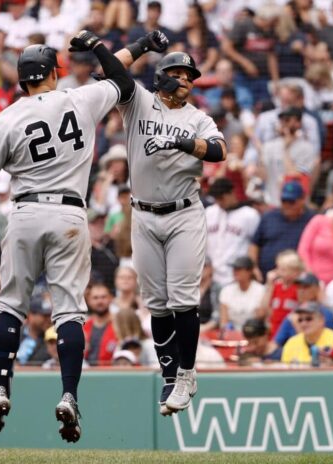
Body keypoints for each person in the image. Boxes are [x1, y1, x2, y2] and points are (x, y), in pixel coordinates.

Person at [0, 33, 143, 441]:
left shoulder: (6, 118)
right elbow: (118, 76)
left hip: (26, 212)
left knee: (11, 305)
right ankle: (68, 394)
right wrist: (140, 47)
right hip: (69, 212)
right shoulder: (79, 99)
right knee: (68, 309)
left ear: (21, 80)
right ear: (53, 73)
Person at [112, 39, 227, 414]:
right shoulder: (139, 101)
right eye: (176, 74)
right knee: (156, 305)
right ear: (161, 76)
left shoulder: (198, 118)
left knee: (182, 300)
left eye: (189, 76)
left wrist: (182, 141)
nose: (184, 81)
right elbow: (110, 71)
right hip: (142, 214)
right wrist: (141, 45)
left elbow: (218, 151)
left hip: (183, 213)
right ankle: (168, 376)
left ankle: (187, 374)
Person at [250, 182, 314, 280]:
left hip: (296, 279)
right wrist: (253, 267)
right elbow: (254, 244)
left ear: (302, 200)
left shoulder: (312, 220)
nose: (287, 205)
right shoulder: (269, 217)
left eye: (291, 202)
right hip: (265, 277)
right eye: (284, 201)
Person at [205, 177, 260, 287]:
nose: (219, 202)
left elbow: (255, 245)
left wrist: (252, 268)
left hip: (237, 277)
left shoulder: (250, 214)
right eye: (216, 198)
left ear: (232, 193)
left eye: (221, 197)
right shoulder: (209, 212)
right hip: (214, 277)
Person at [218, 257, 265, 330]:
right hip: (232, 333)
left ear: (249, 271)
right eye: (234, 269)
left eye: (239, 269)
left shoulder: (261, 290)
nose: (235, 272)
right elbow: (224, 321)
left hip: (253, 332)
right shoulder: (226, 290)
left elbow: (261, 317)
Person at [83, 282, 117, 366]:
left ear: (111, 298)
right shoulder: (83, 326)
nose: (100, 301)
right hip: (86, 373)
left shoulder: (120, 324)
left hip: (112, 372)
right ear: (89, 301)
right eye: (95, 298)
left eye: (103, 297)